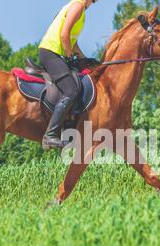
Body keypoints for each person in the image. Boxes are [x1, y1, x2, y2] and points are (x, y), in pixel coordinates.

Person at [39, 0, 98, 150]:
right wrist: (70, 57)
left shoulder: (81, 9)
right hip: (51, 52)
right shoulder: (78, 6)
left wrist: (85, 59)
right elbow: (64, 34)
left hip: (56, 53)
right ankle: (50, 136)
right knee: (71, 90)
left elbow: (72, 41)